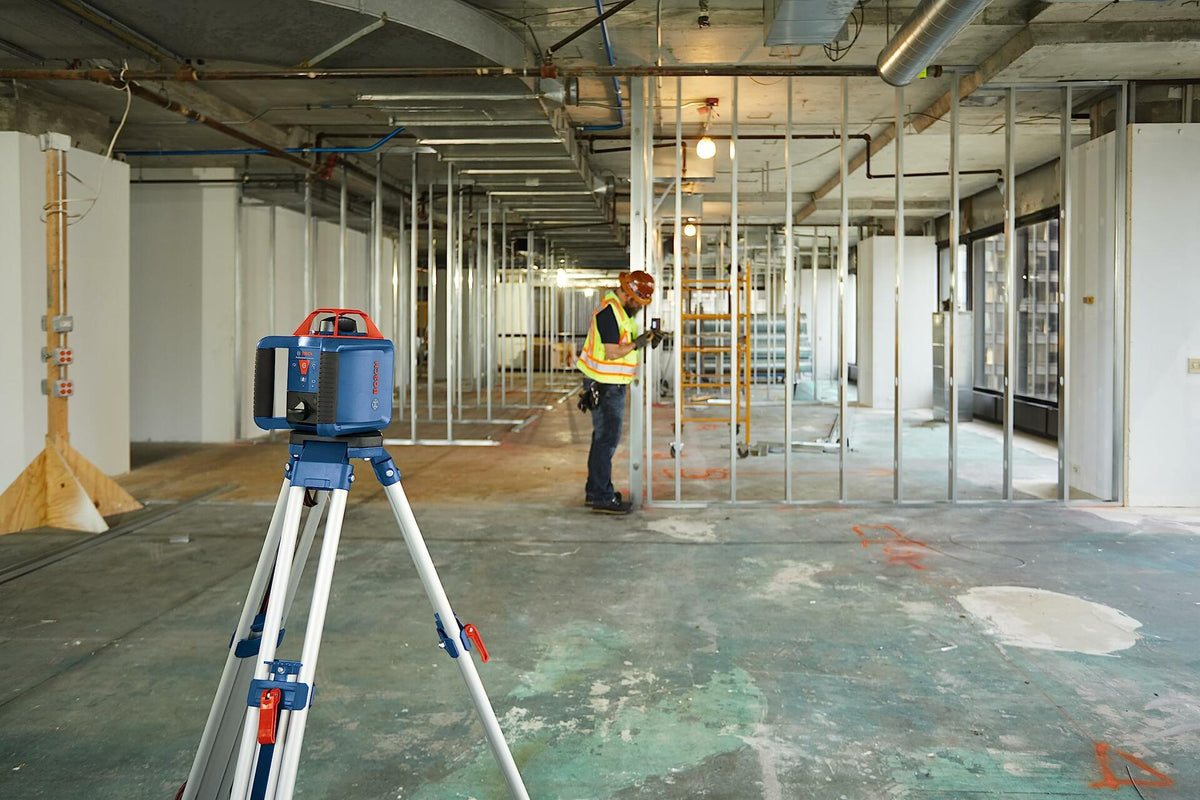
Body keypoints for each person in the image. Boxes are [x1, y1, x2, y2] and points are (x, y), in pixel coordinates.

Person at [576, 270, 657, 514]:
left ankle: (595, 490)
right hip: (605, 385)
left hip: (608, 383)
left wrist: (643, 339)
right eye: (638, 301)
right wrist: (638, 343)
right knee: (606, 440)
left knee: (601, 438)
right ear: (629, 294)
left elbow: (622, 346)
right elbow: (612, 352)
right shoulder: (610, 312)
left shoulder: (620, 312)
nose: (639, 306)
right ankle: (602, 496)